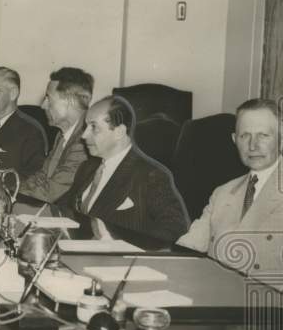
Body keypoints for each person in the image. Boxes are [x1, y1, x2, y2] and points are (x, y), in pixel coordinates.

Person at [177, 98, 283, 304]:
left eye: (263, 135)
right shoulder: (223, 192)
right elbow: (189, 249)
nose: (253, 145)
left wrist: (276, 303)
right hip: (212, 302)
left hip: (269, 314)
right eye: (245, 135)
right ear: (234, 139)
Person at [55, 95, 189, 248]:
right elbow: (63, 208)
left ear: (119, 132)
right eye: (85, 127)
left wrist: (121, 244)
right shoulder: (87, 167)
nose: (84, 135)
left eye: (94, 127)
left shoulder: (151, 175)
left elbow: (175, 229)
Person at [19, 67, 94, 203]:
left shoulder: (86, 139)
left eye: (48, 98)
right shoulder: (62, 134)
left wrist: (9, 196)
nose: (43, 105)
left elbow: (52, 191)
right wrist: (13, 190)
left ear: (70, 101)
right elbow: (42, 176)